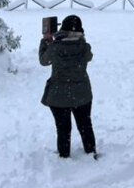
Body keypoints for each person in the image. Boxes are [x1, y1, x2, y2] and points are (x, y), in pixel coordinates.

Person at [39, 15, 97, 159]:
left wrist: (46, 40)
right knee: (85, 125)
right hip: (82, 95)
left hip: (59, 96)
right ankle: (90, 151)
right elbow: (88, 56)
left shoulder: (55, 47)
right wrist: (79, 38)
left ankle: (64, 155)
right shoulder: (84, 47)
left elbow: (43, 61)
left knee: (63, 128)